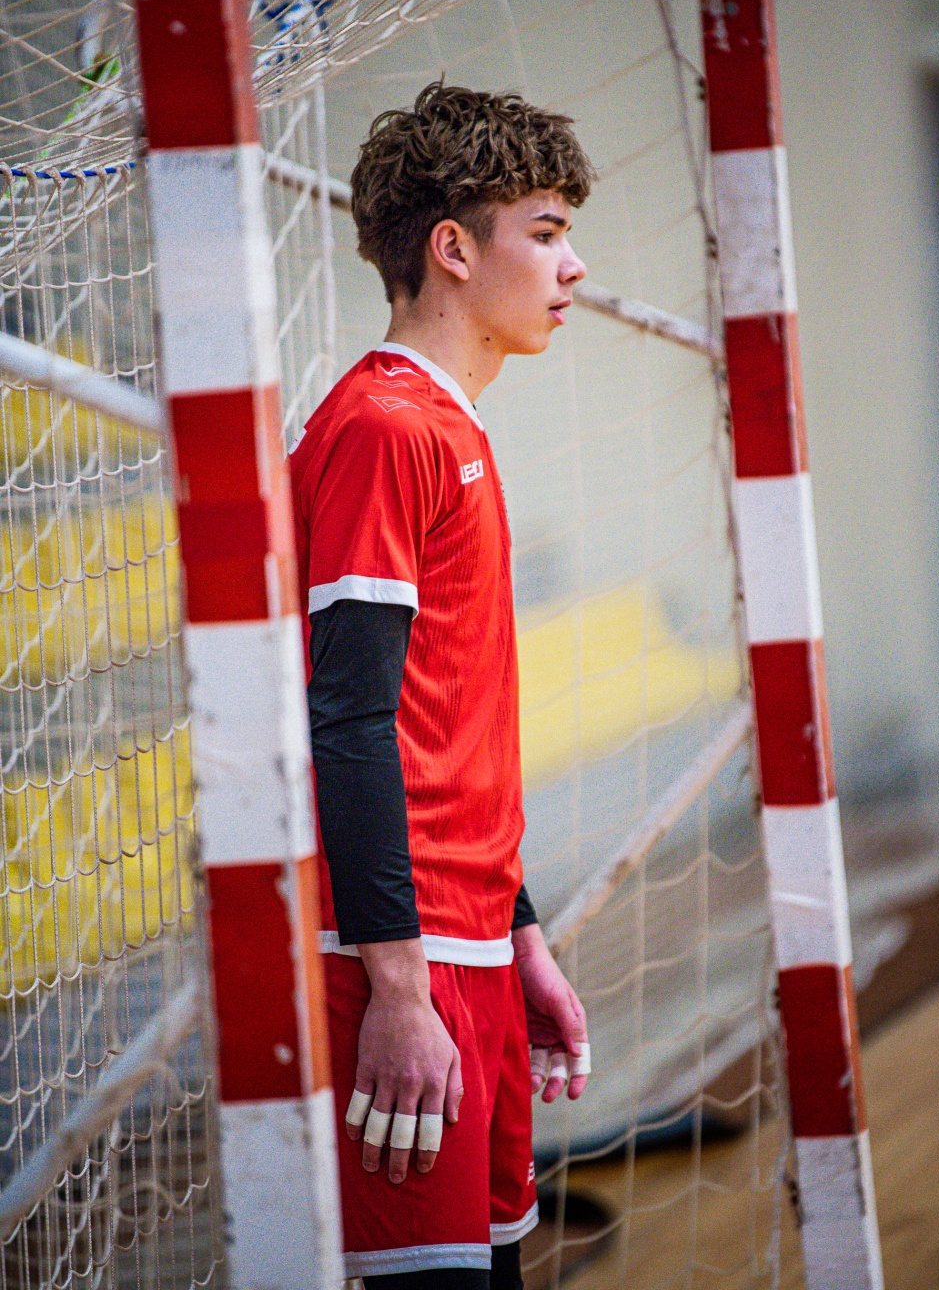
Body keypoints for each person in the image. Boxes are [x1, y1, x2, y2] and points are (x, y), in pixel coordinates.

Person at [290, 82, 594, 1290]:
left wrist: (518, 935)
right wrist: (401, 989)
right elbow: (348, 719)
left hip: (469, 951)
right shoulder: (385, 428)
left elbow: (441, 724)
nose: (574, 266)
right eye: (547, 231)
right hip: (397, 967)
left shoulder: (452, 426)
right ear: (454, 250)